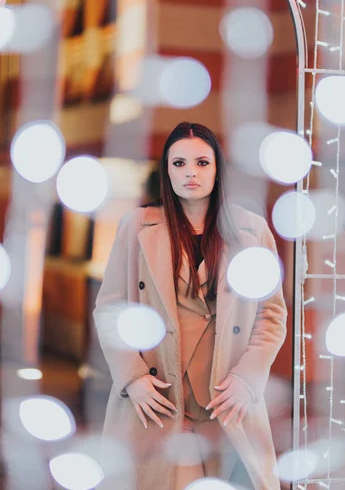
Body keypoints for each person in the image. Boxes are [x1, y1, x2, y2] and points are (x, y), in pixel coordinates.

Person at [93, 121, 287, 490]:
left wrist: (248, 378)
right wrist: (132, 378)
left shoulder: (251, 230)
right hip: (161, 397)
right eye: (178, 163)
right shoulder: (137, 227)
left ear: (217, 169)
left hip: (227, 400)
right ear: (166, 170)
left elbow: (271, 313)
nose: (190, 173)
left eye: (202, 162)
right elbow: (110, 309)